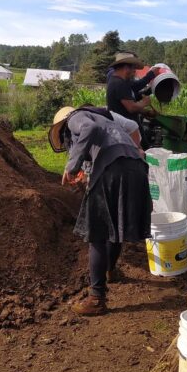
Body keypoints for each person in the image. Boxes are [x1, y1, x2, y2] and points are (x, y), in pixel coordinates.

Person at [48, 105, 152, 316]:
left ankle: (96, 298)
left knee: (97, 233)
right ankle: (110, 271)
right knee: (115, 224)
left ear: (62, 127)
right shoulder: (107, 121)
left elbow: (89, 129)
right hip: (136, 167)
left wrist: (71, 166)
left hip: (115, 169)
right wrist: (86, 174)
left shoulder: (76, 117)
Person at [105, 52, 158, 122]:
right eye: (133, 68)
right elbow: (131, 108)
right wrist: (144, 103)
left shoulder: (119, 81)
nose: (134, 71)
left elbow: (126, 106)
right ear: (126, 68)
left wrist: (146, 112)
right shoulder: (119, 83)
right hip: (125, 129)